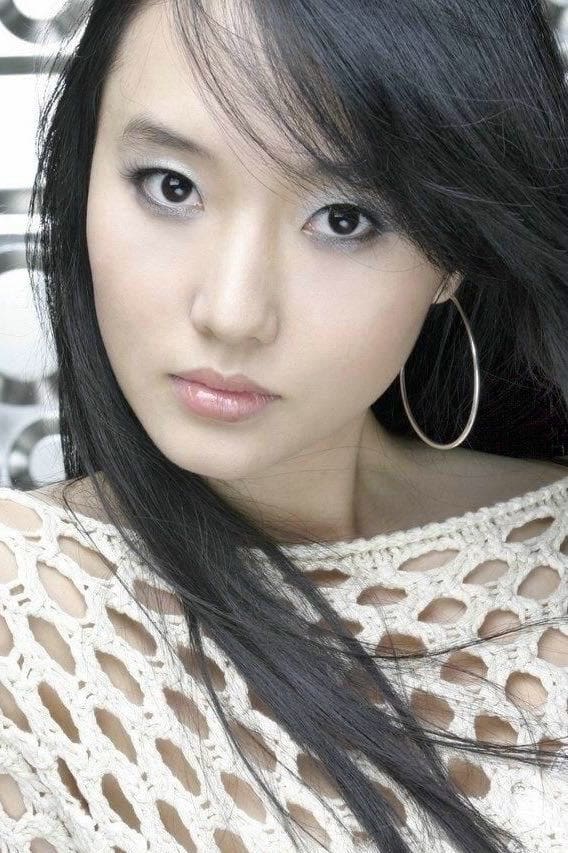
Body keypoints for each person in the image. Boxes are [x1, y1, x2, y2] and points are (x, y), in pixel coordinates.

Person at [0, 0, 567, 850]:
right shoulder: (25, 605)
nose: (233, 313)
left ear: (454, 253)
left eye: (345, 219)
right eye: (172, 186)